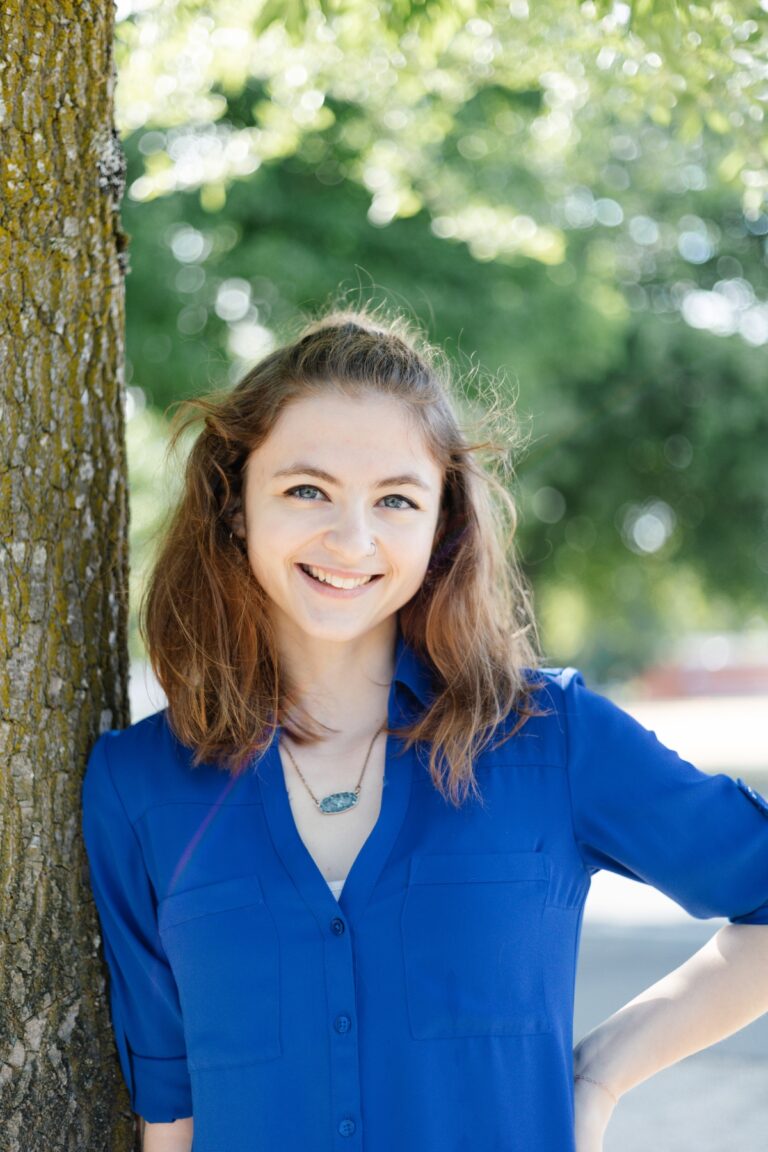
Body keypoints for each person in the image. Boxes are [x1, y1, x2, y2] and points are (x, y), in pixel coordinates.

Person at [81, 307, 768, 1152]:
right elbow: (172, 1109)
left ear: (441, 525)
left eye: (396, 499)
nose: (352, 538)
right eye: (307, 489)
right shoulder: (136, 784)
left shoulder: (551, 739)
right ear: (234, 506)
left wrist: (602, 1072)